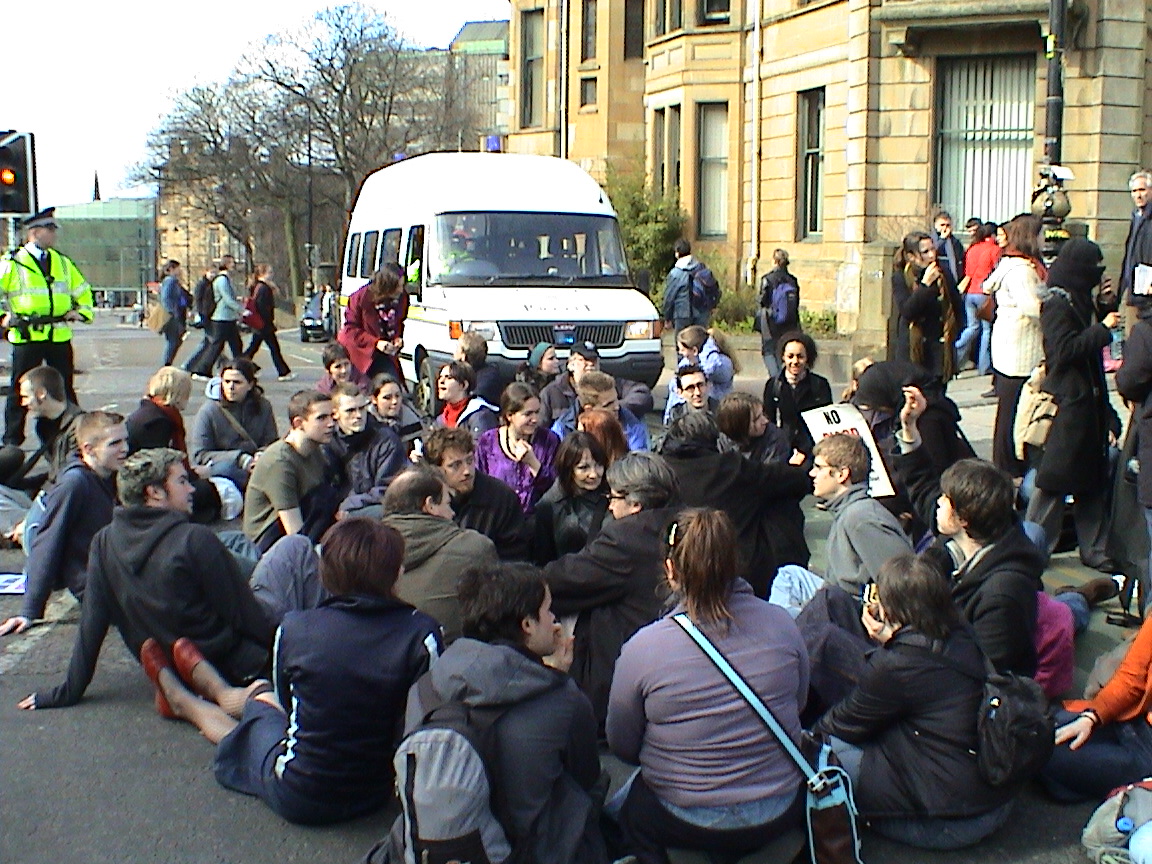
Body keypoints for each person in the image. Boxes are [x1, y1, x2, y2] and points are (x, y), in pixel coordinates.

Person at [148, 518, 441, 825]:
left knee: (261, 704)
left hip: (301, 788)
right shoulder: (422, 633)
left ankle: (190, 702)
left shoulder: (296, 628)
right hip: (375, 789)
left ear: (326, 576)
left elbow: (288, 706)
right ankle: (215, 690)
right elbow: (426, 716)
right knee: (265, 704)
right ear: (394, 575)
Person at [607, 508, 807, 864]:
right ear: (735, 564)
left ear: (671, 571)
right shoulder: (783, 625)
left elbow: (623, 744)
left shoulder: (644, 648)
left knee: (626, 811)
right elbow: (799, 703)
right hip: (780, 809)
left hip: (683, 817)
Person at [15, 448, 275, 709]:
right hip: (228, 665)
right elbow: (242, 612)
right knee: (291, 553)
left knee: (239, 544)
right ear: (155, 492)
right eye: (182, 481)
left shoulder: (104, 541)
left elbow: (92, 622)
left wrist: (68, 691)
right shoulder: (194, 539)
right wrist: (275, 654)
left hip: (170, 669)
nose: (192, 489)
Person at [397, 562, 608, 863]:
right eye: (548, 611)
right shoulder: (562, 699)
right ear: (527, 625)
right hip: (526, 851)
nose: (554, 620)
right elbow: (585, 774)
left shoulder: (425, 688)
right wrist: (560, 679)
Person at [813, 554, 1015, 849]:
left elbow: (838, 726)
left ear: (892, 610)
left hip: (950, 822)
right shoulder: (961, 632)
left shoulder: (897, 664)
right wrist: (891, 641)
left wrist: (801, 740)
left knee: (821, 754)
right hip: (993, 798)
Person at [543, 451, 680, 727]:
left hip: (625, 675)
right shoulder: (681, 522)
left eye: (614, 497)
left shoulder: (626, 538)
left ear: (636, 504)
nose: (609, 507)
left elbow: (564, 579)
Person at [1025, 238, 1121, 570]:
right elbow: (1063, 352)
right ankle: (1031, 550)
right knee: (1054, 482)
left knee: (1092, 482)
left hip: (1088, 403)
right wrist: (1102, 330)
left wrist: (1106, 307)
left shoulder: (1079, 299)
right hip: (1069, 405)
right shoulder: (1056, 304)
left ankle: (1093, 548)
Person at [0, 412, 128, 636]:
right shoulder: (75, 484)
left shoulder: (109, 474)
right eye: (115, 443)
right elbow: (47, 543)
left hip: (114, 572)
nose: (125, 448)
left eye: (125, 440)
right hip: (95, 584)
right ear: (88, 449)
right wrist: (30, 610)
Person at [660, 411, 812, 596]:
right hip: (736, 565)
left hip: (679, 563)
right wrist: (797, 470)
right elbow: (784, 480)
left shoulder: (663, 469)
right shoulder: (729, 467)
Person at [768, 433, 912, 615]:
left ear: (842, 474)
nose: (812, 473)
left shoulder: (861, 518)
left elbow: (905, 584)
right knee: (789, 576)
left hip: (850, 615)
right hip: (838, 600)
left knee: (783, 617)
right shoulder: (849, 512)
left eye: (819, 467)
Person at [924, 459, 1044, 676]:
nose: (939, 502)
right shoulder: (954, 549)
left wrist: (900, 639)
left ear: (964, 519)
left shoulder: (1001, 596)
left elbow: (981, 673)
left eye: (946, 498)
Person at [0, 208, 94, 446]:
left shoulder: (62, 262)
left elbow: (82, 290)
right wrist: (3, 318)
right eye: (49, 229)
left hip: (57, 333)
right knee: (20, 390)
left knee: (64, 388)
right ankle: (12, 442)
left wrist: (82, 312)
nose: (54, 235)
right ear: (34, 232)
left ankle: (70, 436)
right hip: (27, 335)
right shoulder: (13, 263)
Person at [381, 466, 499, 642]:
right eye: (448, 504)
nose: (452, 513)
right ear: (430, 505)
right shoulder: (476, 548)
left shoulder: (366, 556)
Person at [1044, 612, 1152, 801]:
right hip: (1130, 720)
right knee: (1038, 728)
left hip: (1146, 753)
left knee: (1046, 755)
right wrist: (1091, 717)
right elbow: (1130, 679)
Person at [986, 214, 1047, 475]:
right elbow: (1032, 308)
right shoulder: (1023, 271)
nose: (1045, 239)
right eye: (1041, 234)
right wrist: (1055, 304)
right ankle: (1009, 466)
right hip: (1020, 349)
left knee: (1008, 407)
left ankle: (1006, 463)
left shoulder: (1011, 264)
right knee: (1013, 410)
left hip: (1009, 344)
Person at [243, 390, 340, 553]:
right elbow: (294, 532)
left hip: (301, 524)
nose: (331, 423)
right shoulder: (280, 462)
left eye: (332, 416)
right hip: (266, 542)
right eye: (322, 418)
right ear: (298, 423)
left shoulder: (315, 449)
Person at [423, 427, 529, 561]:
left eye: (469, 460)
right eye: (455, 465)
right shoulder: (426, 500)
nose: (467, 471)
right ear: (437, 469)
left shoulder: (502, 499)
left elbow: (514, 558)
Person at [190, 357, 278, 491]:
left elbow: (271, 441)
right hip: (225, 471)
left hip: (258, 466)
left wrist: (261, 454)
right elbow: (200, 454)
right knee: (229, 470)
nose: (231, 387)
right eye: (226, 382)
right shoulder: (209, 410)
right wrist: (239, 458)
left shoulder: (263, 406)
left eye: (237, 382)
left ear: (250, 384)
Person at [475, 382, 560, 515]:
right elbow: (479, 485)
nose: (535, 419)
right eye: (528, 414)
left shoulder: (549, 440)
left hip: (537, 522)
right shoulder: (488, 441)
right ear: (510, 415)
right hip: (499, 519)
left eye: (537, 412)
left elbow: (556, 489)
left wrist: (533, 463)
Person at [891, 230, 963, 382]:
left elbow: (957, 307)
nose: (932, 255)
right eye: (925, 252)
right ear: (912, 257)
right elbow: (907, 311)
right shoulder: (901, 277)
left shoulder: (943, 273)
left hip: (939, 351)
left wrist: (952, 335)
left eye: (933, 249)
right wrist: (925, 285)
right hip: (913, 351)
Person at [326, 382, 405, 517]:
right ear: (335, 414)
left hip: (373, 507)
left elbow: (388, 488)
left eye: (362, 408)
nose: (358, 415)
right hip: (336, 507)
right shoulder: (328, 441)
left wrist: (350, 504)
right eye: (350, 410)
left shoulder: (386, 439)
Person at [0, 365, 83, 493]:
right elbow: (54, 472)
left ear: (41, 394)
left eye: (26, 397)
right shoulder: (43, 425)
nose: (23, 403)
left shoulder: (79, 428)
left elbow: (68, 476)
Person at [538, 340, 654, 430]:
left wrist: (612, 409)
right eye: (584, 360)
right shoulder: (551, 392)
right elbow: (540, 428)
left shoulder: (610, 385)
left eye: (594, 360)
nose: (590, 364)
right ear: (570, 365)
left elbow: (642, 394)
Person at [534, 431, 610, 563]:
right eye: (583, 468)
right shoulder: (548, 506)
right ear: (568, 470)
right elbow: (543, 558)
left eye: (598, 465)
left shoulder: (614, 497)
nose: (594, 474)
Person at [762, 331, 833, 458]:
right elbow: (768, 421)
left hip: (812, 450)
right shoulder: (773, 385)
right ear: (783, 357)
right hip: (781, 450)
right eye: (790, 356)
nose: (795, 361)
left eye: (800, 356)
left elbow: (825, 422)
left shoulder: (820, 385)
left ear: (807, 358)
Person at [339, 261, 409, 384]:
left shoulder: (402, 298)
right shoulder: (361, 298)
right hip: (360, 354)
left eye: (402, 285)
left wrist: (397, 338)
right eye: (397, 286)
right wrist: (376, 343)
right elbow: (350, 329)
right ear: (386, 286)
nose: (400, 290)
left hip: (385, 355)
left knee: (392, 384)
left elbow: (399, 322)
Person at [553, 369, 650, 452]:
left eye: (617, 400)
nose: (617, 407)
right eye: (608, 405)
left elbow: (638, 465)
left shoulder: (631, 424)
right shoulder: (562, 429)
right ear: (589, 409)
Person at [663, 326, 737, 425]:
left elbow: (711, 368)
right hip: (690, 418)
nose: (680, 353)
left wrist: (709, 345)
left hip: (717, 418)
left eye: (682, 350)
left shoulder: (722, 362)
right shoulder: (687, 362)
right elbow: (675, 390)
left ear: (694, 350)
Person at [953, 222, 1000, 377]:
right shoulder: (994, 250)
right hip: (984, 293)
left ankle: (956, 350)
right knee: (987, 330)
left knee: (972, 328)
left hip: (970, 291)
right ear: (992, 235)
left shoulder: (972, 249)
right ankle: (984, 366)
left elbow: (967, 271)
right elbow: (996, 271)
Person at [185, 254, 243, 378]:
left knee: (235, 345)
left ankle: (242, 369)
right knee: (216, 346)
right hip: (222, 318)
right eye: (232, 263)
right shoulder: (222, 280)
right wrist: (241, 310)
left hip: (228, 318)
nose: (234, 265)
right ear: (227, 264)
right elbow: (227, 298)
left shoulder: (225, 279)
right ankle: (201, 370)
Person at [242, 264, 294, 381]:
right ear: (262, 274)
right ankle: (283, 372)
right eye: (269, 272)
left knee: (254, 348)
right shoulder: (264, 289)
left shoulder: (257, 286)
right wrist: (269, 322)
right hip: (264, 324)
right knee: (273, 349)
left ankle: (241, 366)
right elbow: (264, 308)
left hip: (260, 324)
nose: (272, 274)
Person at [715, 391, 791, 466]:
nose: (765, 421)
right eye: (756, 419)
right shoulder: (723, 441)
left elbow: (772, 475)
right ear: (739, 425)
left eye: (763, 414)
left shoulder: (774, 439)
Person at [757, 248, 801, 376]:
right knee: (785, 351)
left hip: (771, 324)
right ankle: (786, 377)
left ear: (775, 261)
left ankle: (776, 380)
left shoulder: (768, 279)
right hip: (790, 324)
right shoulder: (793, 280)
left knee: (769, 351)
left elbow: (762, 300)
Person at [434, 360, 499, 438]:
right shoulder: (440, 419)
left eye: (448, 377)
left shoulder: (481, 416)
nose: (441, 381)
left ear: (463, 385)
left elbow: (481, 448)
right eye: (440, 377)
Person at [662, 238, 713, 332]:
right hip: (701, 313)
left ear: (677, 254)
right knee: (699, 343)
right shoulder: (701, 268)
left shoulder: (675, 273)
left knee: (682, 343)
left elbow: (669, 297)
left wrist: (667, 317)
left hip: (682, 314)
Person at [1120, 170, 1152, 319]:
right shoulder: (1136, 217)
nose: (1138, 195)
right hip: (1132, 288)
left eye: (1142, 190)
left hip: (1146, 294)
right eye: (1134, 191)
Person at [370, 372, 424, 454]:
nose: (395, 401)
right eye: (387, 397)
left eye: (397, 396)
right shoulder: (366, 422)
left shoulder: (411, 420)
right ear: (374, 399)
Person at [455, 330, 502, 405]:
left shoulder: (485, 380)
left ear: (463, 356)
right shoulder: (490, 373)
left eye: (457, 348)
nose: (454, 352)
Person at [158, 259, 191, 367]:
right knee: (173, 341)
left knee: (175, 340)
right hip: (172, 316)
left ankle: (168, 363)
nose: (180, 271)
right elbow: (166, 298)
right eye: (178, 268)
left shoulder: (172, 281)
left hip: (175, 314)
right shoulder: (170, 281)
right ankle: (166, 364)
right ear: (171, 269)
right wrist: (173, 312)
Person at [933, 210, 966, 285]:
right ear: (935, 225)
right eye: (942, 225)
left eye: (948, 225)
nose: (945, 228)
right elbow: (932, 251)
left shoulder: (955, 242)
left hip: (954, 279)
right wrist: (942, 239)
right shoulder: (931, 239)